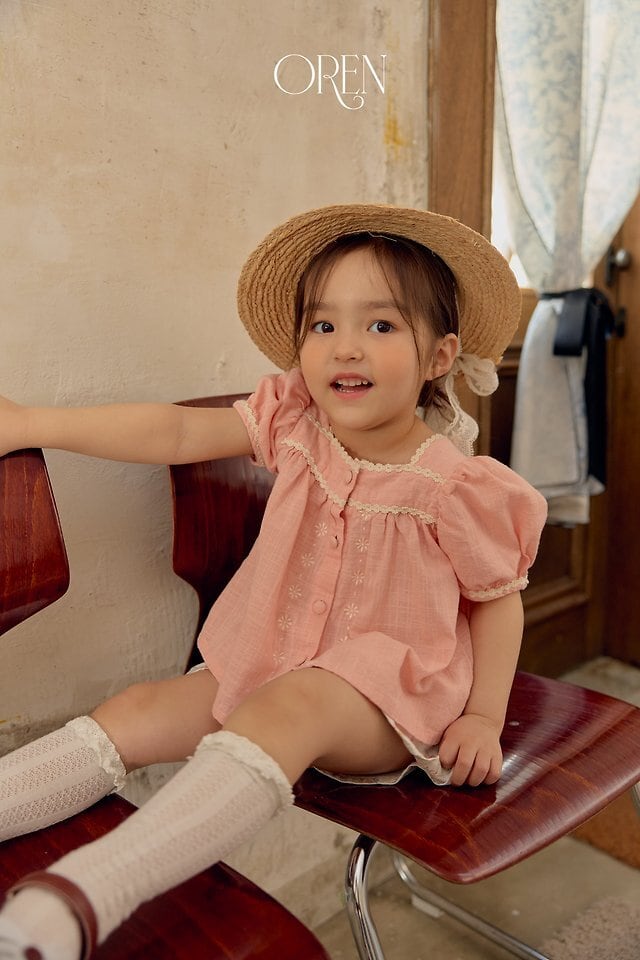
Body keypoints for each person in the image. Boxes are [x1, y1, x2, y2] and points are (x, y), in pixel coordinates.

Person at [0, 203, 547, 959]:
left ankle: (82, 899)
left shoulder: (455, 487)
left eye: (381, 325)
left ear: (439, 356)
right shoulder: (295, 424)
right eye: (323, 325)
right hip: (269, 660)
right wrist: (33, 423)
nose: (345, 346)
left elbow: (497, 603)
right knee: (138, 708)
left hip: (385, 701)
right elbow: (176, 431)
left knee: (296, 702)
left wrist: (484, 716)